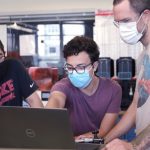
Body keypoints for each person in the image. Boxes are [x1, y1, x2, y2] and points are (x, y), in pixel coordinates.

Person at [45, 36, 122, 139]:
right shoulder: (63, 86)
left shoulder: (113, 89)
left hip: (102, 144)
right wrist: (48, 115)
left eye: (80, 67)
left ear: (94, 66)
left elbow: (104, 130)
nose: (74, 72)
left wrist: (83, 138)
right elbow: (56, 100)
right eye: (70, 67)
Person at [103, 0, 150, 149]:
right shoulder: (143, 56)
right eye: (118, 23)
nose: (122, 28)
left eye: (126, 21)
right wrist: (102, 141)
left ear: (146, 16)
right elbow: (137, 104)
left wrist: (133, 146)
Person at [0, 40, 44, 107]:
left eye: (0, 56)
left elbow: (34, 101)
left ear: (4, 53)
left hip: (15, 117)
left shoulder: (14, 67)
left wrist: (42, 117)